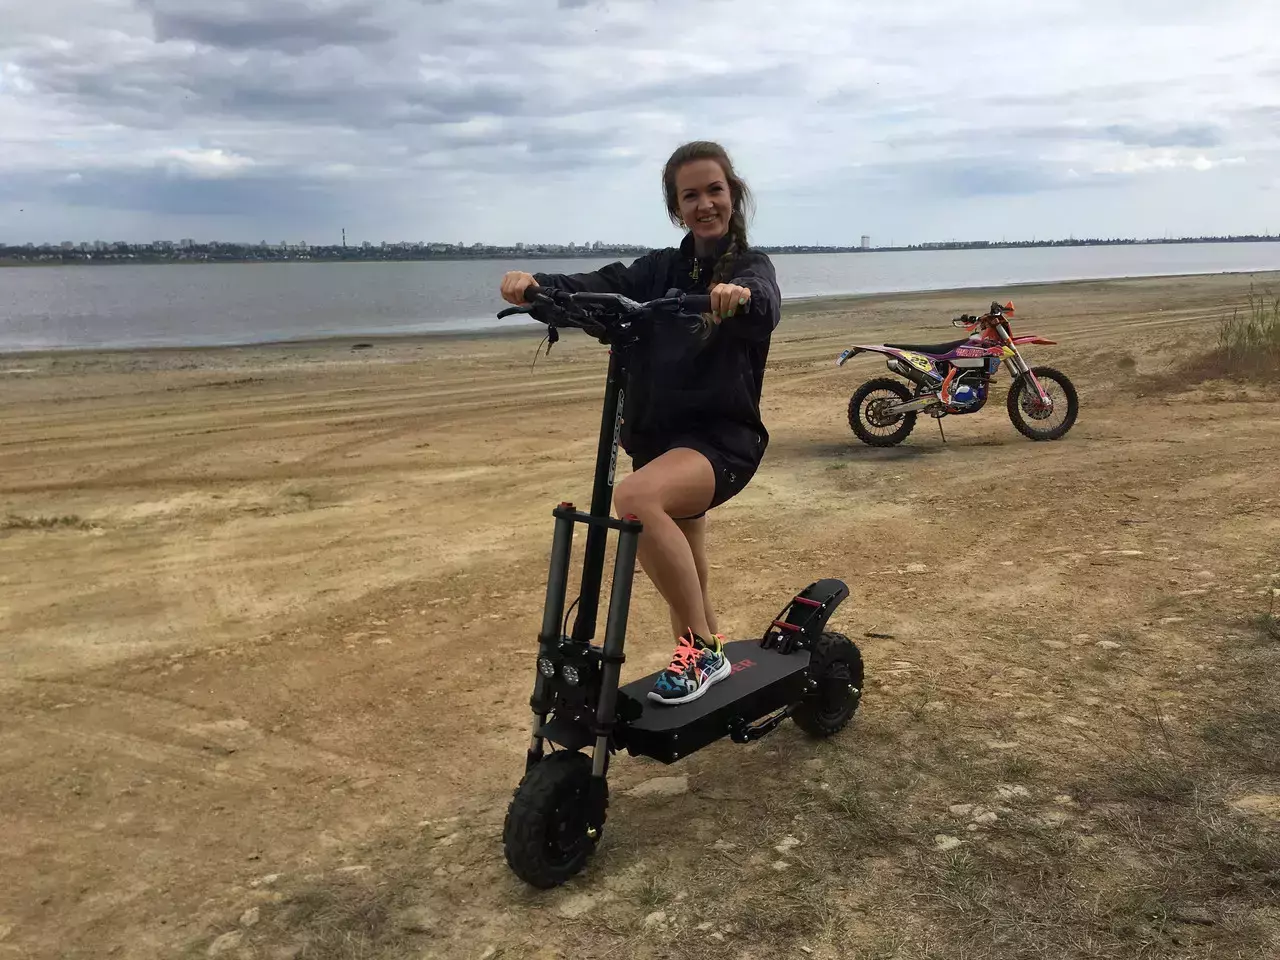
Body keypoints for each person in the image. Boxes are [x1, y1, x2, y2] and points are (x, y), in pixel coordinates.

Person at [499, 140, 781, 706]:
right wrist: (537, 285)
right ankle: (705, 657)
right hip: (659, 441)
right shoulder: (658, 270)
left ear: (733, 194)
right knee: (687, 557)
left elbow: (765, 303)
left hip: (721, 441)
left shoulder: (750, 268)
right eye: (690, 195)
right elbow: (600, 283)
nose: (704, 204)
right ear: (677, 208)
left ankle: (703, 652)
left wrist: (737, 297)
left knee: (633, 498)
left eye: (714, 190)